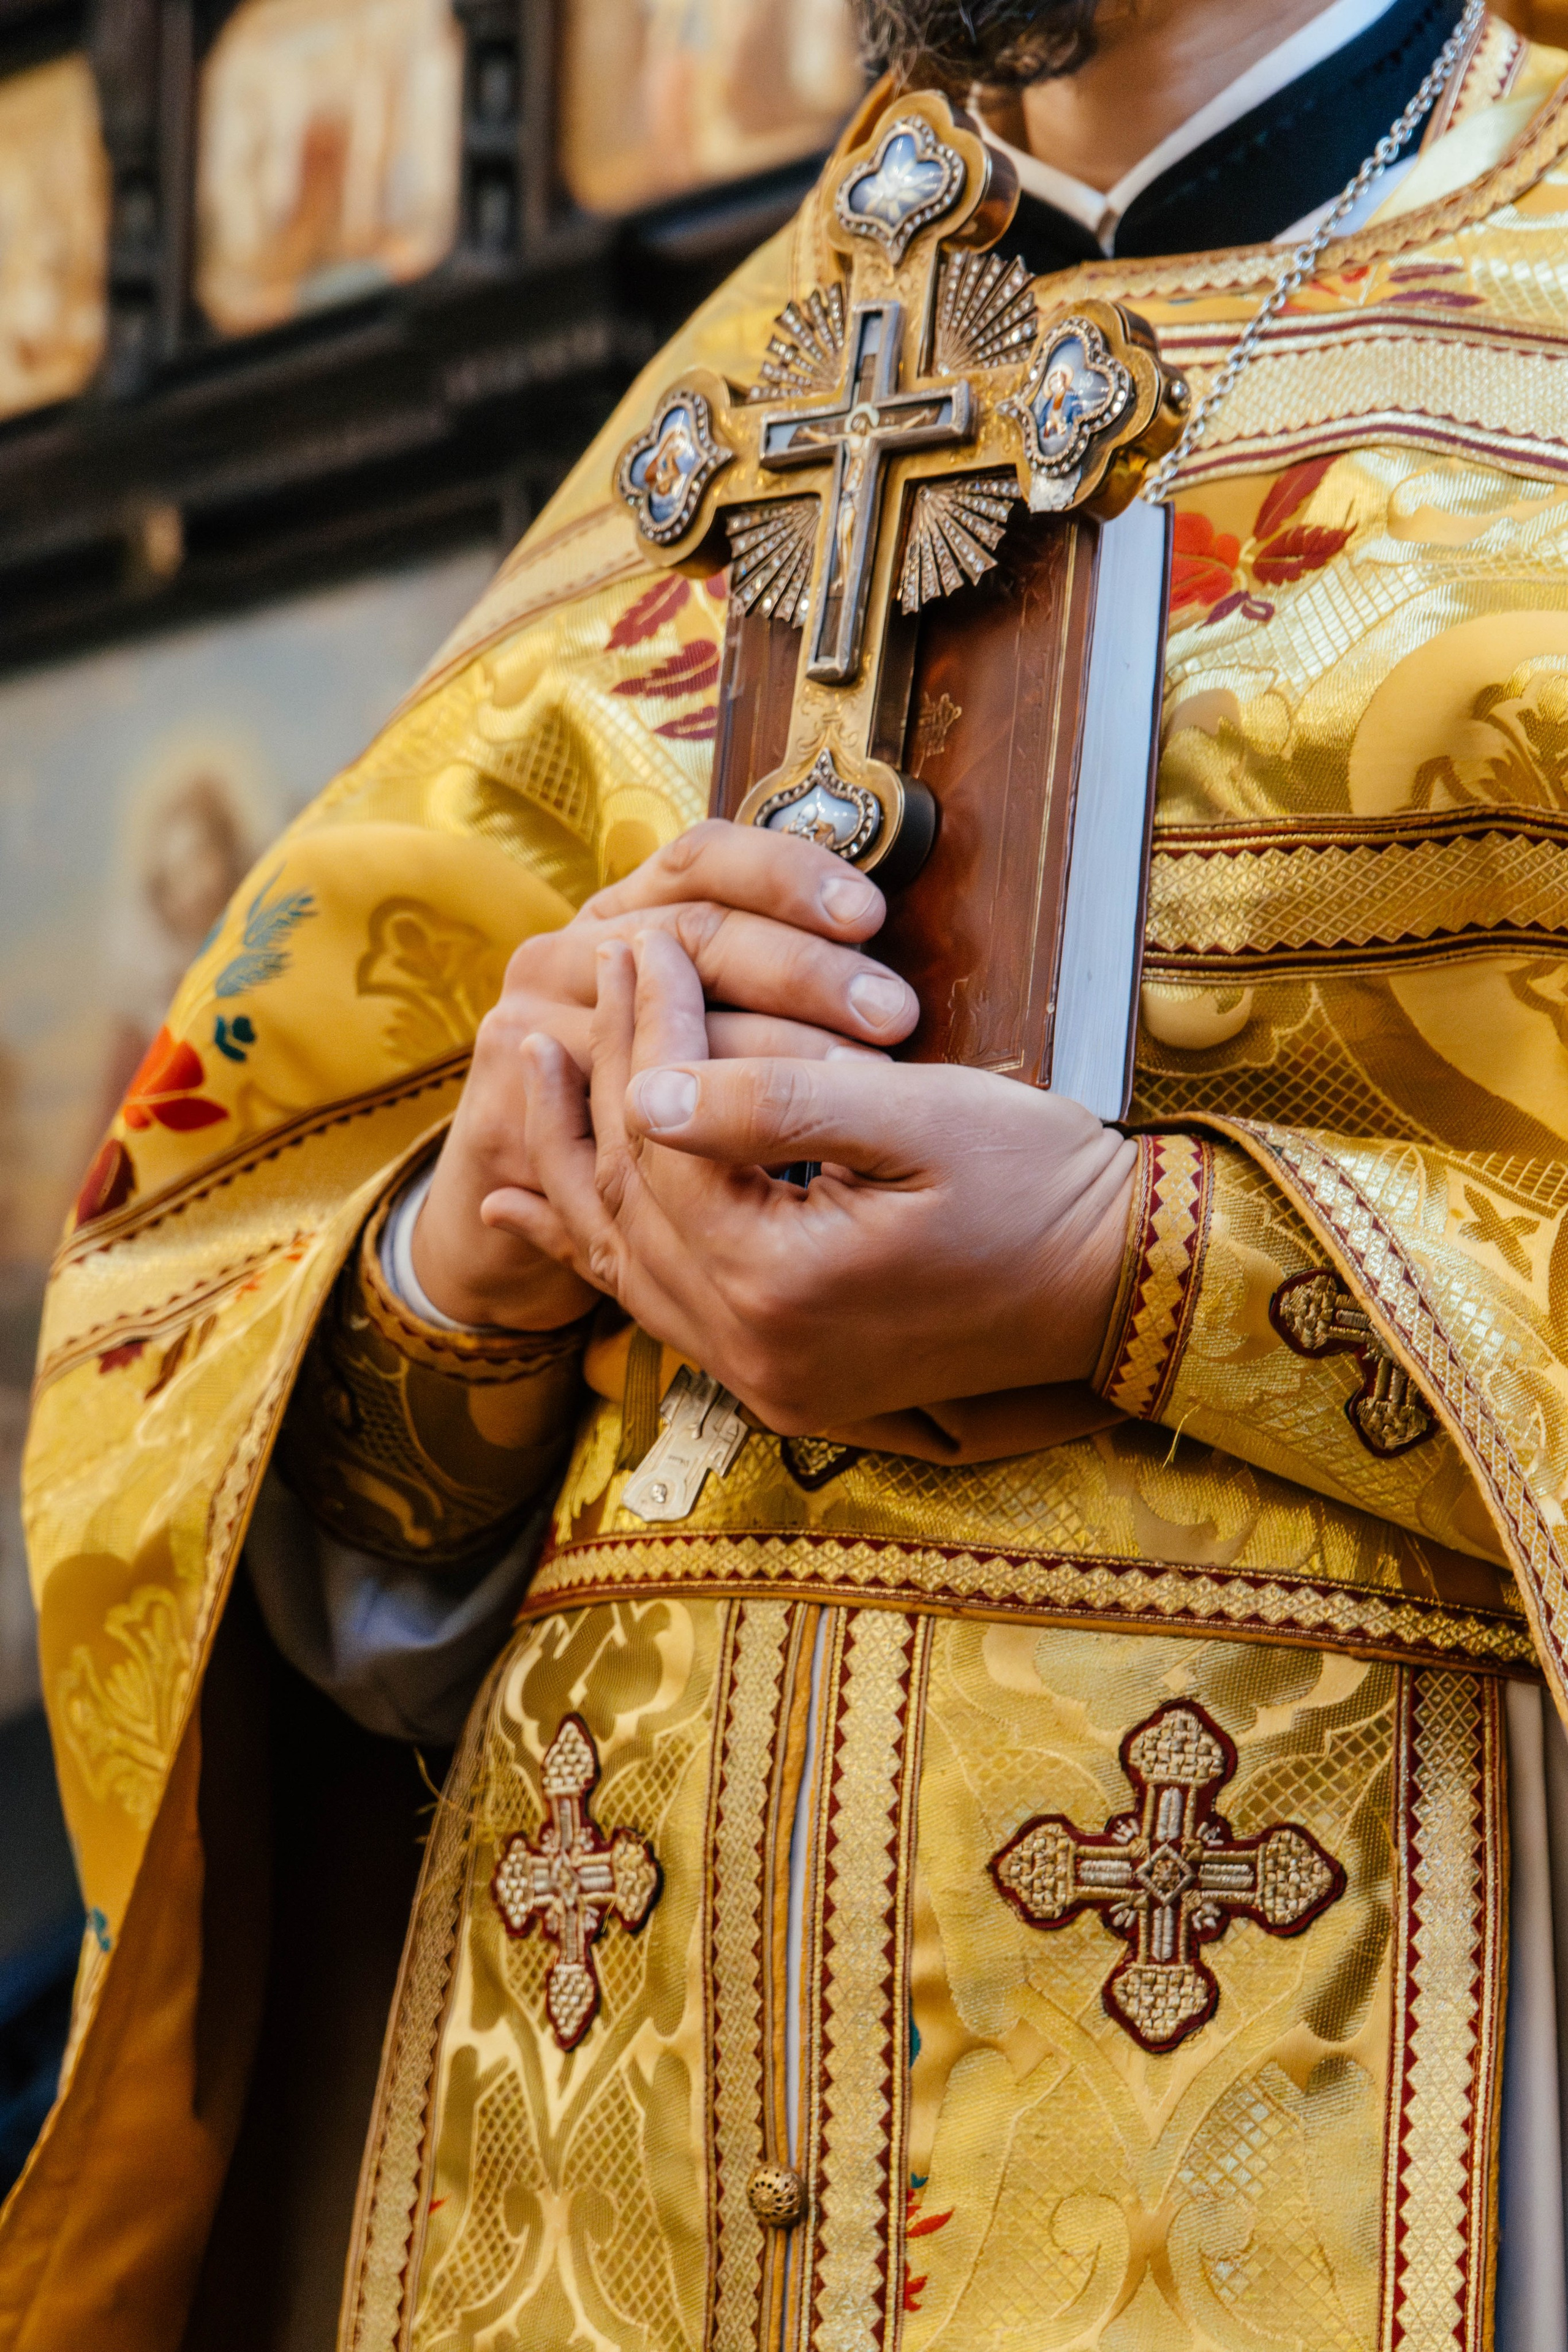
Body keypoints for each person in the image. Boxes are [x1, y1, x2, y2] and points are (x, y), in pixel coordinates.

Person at [10, 0, 1568, 2343]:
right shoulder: (740, 401)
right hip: (595, 2133)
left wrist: (1148, 1275)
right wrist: (471, 1263)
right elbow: (215, 1367)